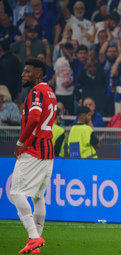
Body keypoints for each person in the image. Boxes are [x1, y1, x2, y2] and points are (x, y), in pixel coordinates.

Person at [10, 58, 57, 254]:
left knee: (15, 193)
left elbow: (35, 117)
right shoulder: (51, 92)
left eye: (28, 71)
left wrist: (21, 141)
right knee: (38, 197)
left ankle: (34, 237)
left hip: (34, 149)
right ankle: (35, 244)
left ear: (38, 74)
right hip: (48, 151)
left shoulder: (36, 91)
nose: (23, 74)